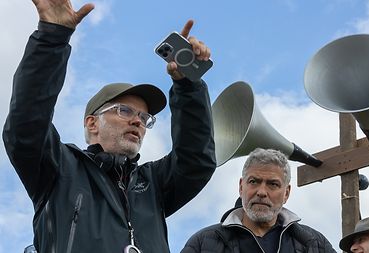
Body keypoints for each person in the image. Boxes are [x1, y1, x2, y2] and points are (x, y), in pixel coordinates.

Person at [2, 0, 216, 252]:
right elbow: (26, 124)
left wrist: (188, 86)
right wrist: (52, 37)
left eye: (144, 117)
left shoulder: (153, 184)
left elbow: (196, 162)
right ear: (92, 123)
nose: (138, 121)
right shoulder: (57, 168)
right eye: (124, 111)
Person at [181, 148, 336, 253]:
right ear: (241, 187)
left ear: (286, 193)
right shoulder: (202, 243)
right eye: (254, 181)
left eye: (273, 184)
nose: (261, 192)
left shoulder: (314, 243)